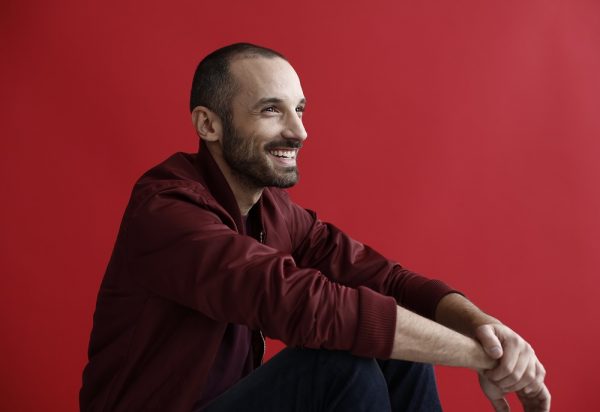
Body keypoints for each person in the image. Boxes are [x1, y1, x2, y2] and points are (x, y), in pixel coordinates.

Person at [80, 43, 550, 412]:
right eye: (271, 110)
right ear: (209, 125)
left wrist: (487, 329)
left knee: (403, 355)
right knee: (337, 367)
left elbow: (386, 280)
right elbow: (301, 303)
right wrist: (481, 357)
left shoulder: (275, 211)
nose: (299, 131)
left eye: (299, 109)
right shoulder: (166, 209)